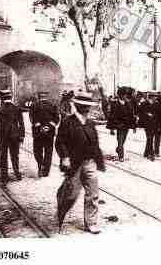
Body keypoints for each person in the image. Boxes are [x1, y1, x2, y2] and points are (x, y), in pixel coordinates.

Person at [55, 91, 105, 234]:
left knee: (93, 193)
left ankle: (91, 223)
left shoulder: (90, 123)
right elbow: (60, 142)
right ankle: (61, 213)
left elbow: (95, 142)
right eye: (83, 106)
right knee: (70, 194)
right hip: (74, 163)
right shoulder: (67, 122)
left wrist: (98, 159)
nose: (87, 109)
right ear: (77, 106)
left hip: (90, 162)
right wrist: (65, 157)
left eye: (88, 106)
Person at [0, 90, 25, 183]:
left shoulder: (0, 109)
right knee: (15, 156)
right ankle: (17, 173)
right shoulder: (16, 108)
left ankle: (4, 176)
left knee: (3, 156)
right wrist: (22, 136)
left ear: (2, 98)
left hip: (3, 136)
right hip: (15, 135)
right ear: (11, 98)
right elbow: (21, 124)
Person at [29, 91, 60, 177]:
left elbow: (31, 118)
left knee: (37, 151)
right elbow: (57, 119)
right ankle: (46, 171)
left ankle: (40, 165)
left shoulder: (34, 105)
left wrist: (40, 126)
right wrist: (49, 127)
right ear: (47, 97)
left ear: (39, 97)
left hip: (38, 133)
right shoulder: (52, 105)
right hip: (49, 133)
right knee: (48, 152)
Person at [106, 88, 136, 162]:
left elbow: (131, 115)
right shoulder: (115, 104)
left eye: (126, 95)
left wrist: (134, 126)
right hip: (119, 126)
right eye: (124, 95)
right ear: (120, 95)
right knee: (120, 140)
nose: (125, 96)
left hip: (126, 126)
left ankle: (119, 149)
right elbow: (111, 117)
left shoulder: (128, 104)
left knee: (123, 141)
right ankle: (121, 156)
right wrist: (111, 128)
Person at [137, 90, 161, 161]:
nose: (155, 98)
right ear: (151, 96)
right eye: (154, 96)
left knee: (150, 138)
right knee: (150, 138)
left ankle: (146, 152)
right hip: (147, 124)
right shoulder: (144, 103)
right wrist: (147, 114)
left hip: (154, 124)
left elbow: (158, 114)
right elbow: (140, 113)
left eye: (155, 96)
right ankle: (151, 153)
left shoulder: (156, 104)